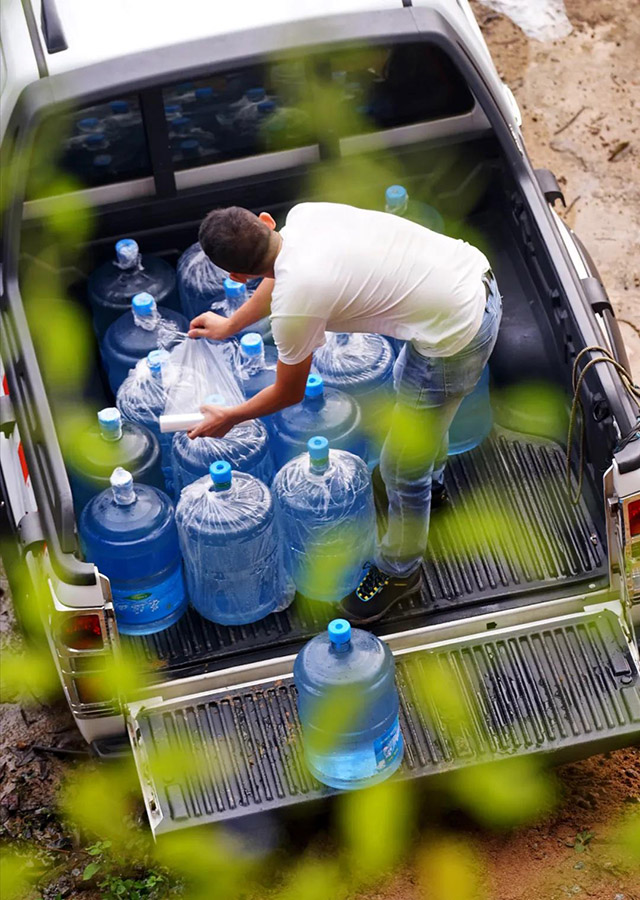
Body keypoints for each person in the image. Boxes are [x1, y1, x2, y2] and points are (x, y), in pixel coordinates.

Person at [187, 203, 502, 623]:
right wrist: (231, 325)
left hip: (457, 333)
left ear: (238, 277)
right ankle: (433, 484)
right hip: (470, 275)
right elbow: (281, 273)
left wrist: (230, 417)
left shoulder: (294, 307)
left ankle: (400, 574)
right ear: (265, 221)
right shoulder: (305, 216)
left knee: (399, 470)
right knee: (411, 398)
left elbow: (289, 391)